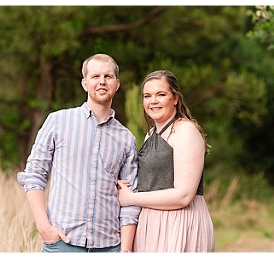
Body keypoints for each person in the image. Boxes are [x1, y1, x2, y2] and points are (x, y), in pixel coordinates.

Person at [17, 53, 141, 253]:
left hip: (109, 247)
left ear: (117, 84)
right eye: (95, 76)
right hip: (62, 244)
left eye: (108, 77)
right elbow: (34, 174)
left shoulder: (126, 139)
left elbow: (130, 200)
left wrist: (125, 251)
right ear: (85, 83)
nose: (102, 82)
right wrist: (44, 228)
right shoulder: (58, 122)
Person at [117, 70, 215, 252]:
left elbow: (184, 195)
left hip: (180, 223)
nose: (153, 101)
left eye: (161, 94)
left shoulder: (185, 130)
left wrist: (131, 198)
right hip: (151, 223)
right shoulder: (151, 134)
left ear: (175, 98)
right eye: (147, 96)